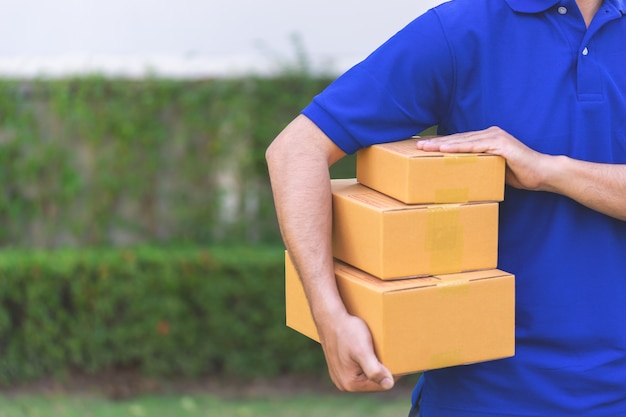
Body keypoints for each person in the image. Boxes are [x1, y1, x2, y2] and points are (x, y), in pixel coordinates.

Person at [266, 0, 626, 415]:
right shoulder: (460, 30)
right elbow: (297, 150)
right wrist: (330, 315)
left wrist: (548, 170)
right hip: (480, 399)